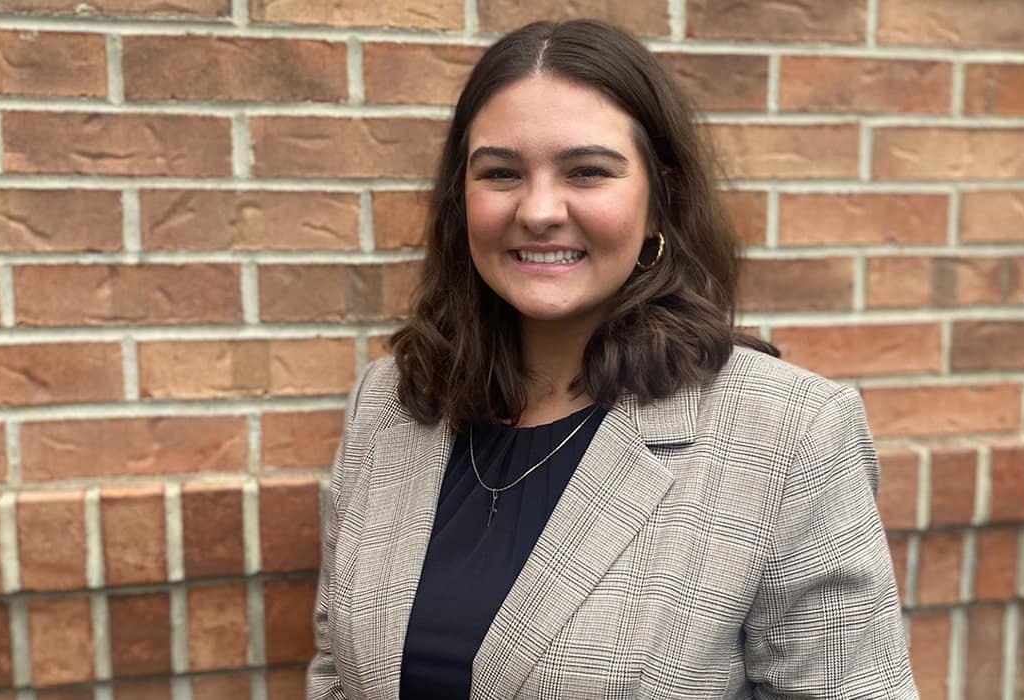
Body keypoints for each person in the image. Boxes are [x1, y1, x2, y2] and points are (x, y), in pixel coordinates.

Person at [307, 19, 916, 699]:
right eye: (501, 173)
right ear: (461, 201)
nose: (538, 209)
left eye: (587, 172)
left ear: (661, 201)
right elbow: (339, 670)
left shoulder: (790, 434)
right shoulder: (391, 403)